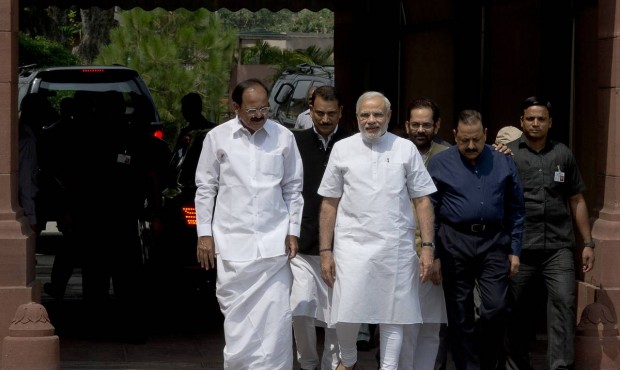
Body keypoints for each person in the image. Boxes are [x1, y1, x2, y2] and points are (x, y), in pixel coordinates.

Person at [318, 91, 437, 370]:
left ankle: (389, 366)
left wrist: (427, 248)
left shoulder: (405, 149)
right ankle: (347, 359)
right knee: (346, 310)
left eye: (377, 114)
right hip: (351, 244)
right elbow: (329, 203)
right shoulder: (342, 148)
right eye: (365, 115)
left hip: (394, 245)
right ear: (357, 117)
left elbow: (422, 200)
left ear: (389, 116)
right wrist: (326, 251)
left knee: (393, 312)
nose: (371, 120)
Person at [194, 78, 304, 369]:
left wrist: (293, 230)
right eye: (252, 109)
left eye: (264, 108)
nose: (259, 115)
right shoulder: (217, 138)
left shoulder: (284, 137)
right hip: (233, 246)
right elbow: (205, 188)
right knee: (238, 322)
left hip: (274, 247)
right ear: (235, 107)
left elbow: (293, 188)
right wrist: (204, 235)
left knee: (276, 320)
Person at [426, 109, 525, 370]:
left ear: (486, 135)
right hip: (453, 242)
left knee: (495, 308)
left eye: (476, 140)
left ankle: (488, 362)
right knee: (459, 313)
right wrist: (433, 253)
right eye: (464, 140)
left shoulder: (503, 161)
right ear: (455, 135)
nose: (471, 146)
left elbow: (516, 208)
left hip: (493, 242)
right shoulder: (439, 163)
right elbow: (430, 213)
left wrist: (515, 250)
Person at [504, 96, 595, 370]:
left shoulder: (563, 154)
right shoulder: (507, 155)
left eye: (541, 119)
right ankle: (517, 364)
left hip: (558, 247)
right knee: (515, 309)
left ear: (550, 122)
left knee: (563, 305)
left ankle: (560, 366)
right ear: (521, 122)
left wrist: (587, 243)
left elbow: (576, 199)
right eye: (530, 118)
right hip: (520, 247)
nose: (535, 123)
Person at [292, 85, 351, 370]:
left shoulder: (354, 143)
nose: (325, 120)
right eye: (319, 113)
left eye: (331, 114)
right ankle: (307, 362)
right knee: (301, 305)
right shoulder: (294, 142)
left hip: (343, 243)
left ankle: (332, 364)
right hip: (303, 243)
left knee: (336, 313)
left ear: (341, 112)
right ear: (310, 110)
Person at [398, 97, 449, 370]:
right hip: (398, 249)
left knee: (431, 325)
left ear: (437, 125)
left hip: (433, 250)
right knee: (401, 324)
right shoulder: (391, 151)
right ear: (407, 125)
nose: (420, 130)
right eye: (415, 124)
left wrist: (436, 252)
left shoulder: (449, 155)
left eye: (426, 125)